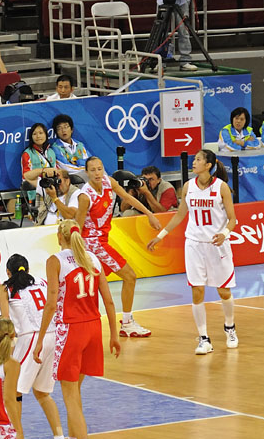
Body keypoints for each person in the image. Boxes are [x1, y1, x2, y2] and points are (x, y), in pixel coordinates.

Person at [32, 219, 120, 439]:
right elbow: (109, 300)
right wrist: (114, 334)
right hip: (94, 328)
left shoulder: (55, 260)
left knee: (70, 399)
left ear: (60, 237)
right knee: (75, 396)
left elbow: (50, 303)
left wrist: (39, 339)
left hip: (71, 329)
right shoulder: (92, 258)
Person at [148, 149, 239, 354]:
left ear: (208, 165)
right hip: (194, 245)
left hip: (217, 245)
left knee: (223, 291)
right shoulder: (188, 186)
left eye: (198, 159)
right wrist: (160, 236)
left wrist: (224, 233)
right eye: (194, 159)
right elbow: (180, 216)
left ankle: (230, 327)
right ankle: (204, 338)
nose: (194, 162)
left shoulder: (221, 187)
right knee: (197, 290)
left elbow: (232, 219)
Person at [74, 156, 160, 338]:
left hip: (103, 240)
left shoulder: (109, 182)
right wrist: (74, 253)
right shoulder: (85, 196)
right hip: (93, 243)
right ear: (86, 173)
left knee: (94, 284)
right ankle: (127, 323)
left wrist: (149, 215)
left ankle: (84, 323)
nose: (97, 173)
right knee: (129, 276)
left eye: (100, 168)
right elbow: (77, 227)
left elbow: (128, 197)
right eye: (93, 170)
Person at [0, 253, 68, 439]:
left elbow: (6, 322)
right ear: (27, 269)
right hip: (53, 335)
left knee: (12, 391)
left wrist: (4, 349)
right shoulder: (43, 283)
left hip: (31, 338)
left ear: (8, 272)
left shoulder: (6, 288)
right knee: (42, 393)